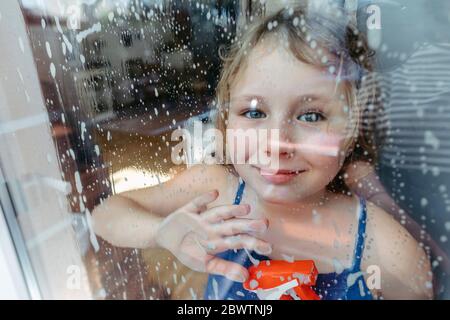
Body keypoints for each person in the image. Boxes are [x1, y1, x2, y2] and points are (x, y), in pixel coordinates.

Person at [92, 4, 432, 300]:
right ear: (226, 122)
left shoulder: (381, 243)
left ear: (350, 131)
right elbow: (106, 214)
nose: (276, 142)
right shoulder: (215, 191)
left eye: (311, 115)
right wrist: (159, 232)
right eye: (254, 113)